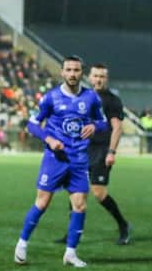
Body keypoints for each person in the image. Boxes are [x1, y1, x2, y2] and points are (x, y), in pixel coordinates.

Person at [14, 56, 107, 268]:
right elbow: (32, 124)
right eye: (68, 70)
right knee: (42, 202)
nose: (72, 74)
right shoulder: (51, 98)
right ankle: (22, 244)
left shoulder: (91, 98)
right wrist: (49, 139)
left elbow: (103, 122)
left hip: (79, 159)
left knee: (80, 205)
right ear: (62, 72)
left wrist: (95, 127)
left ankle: (70, 253)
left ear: (81, 73)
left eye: (76, 70)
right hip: (55, 159)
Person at [55, 63, 131, 245]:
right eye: (96, 76)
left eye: (102, 76)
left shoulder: (112, 100)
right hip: (81, 150)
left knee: (98, 193)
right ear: (89, 77)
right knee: (75, 190)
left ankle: (123, 225)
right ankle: (71, 233)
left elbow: (117, 128)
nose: (98, 79)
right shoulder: (82, 97)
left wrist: (111, 152)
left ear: (107, 79)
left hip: (101, 151)